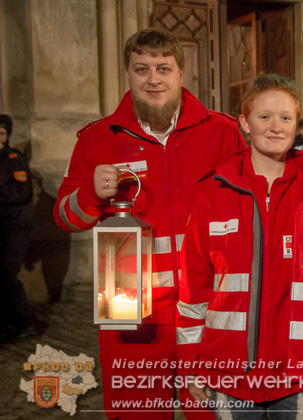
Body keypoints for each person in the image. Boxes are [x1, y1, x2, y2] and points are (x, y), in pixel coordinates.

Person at [53, 28, 245, 419]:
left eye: (163, 68)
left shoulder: (223, 133)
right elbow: (65, 217)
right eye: (141, 69)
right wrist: (91, 194)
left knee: (213, 412)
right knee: (137, 412)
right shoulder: (97, 138)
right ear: (128, 73)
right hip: (129, 306)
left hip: (208, 305)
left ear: (181, 73)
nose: (153, 78)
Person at [177, 73, 303, 419]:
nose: (276, 127)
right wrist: (190, 362)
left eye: (286, 117)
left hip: (301, 377)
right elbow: (193, 292)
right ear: (244, 123)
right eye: (265, 117)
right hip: (229, 376)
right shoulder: (212, 194)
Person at [0, 113, 37, 341]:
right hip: (2, 225)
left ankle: (25, 320)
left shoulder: (14, 158)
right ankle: (8, 323)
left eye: (2, 133)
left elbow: (21, 192)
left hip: (15, 227)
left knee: (6, 275)